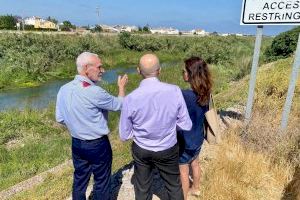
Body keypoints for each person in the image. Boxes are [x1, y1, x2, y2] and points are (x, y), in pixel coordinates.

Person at [55, 52, 128, 200]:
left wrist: (77, 125)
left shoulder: (64, 89)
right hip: (97, 145)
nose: (103, 71)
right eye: (99, 67)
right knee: (102, 181)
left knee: (80, 179)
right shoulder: (95, 91)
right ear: (87, 68)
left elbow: (60, 118)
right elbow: (120, 105)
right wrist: (121, 87)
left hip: (76, 143)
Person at [119, 53, 192, 200]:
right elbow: (186, 124)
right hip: (168, 147)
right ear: (159, 70)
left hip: (142, 150)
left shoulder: (130, 98)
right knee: (173, 185)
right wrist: (169, 127)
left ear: (138, 71)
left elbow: (124, 135)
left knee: (143, 188)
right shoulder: (175, 90)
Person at [177, 56, 212, 200]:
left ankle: (184, 196)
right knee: (195, 163)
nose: (182, 73)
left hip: (185, 140)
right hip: (198, 137)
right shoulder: (206, 93)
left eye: (184, 71)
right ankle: (196, 188)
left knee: (183, 170)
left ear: (191, 74)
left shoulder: (183, 95)